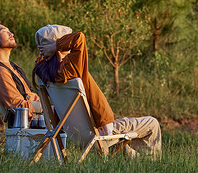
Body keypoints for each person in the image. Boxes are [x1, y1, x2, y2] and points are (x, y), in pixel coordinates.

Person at [33, 24, 161, 157]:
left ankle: (136, 161)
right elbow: (79, 38)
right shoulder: (71, 69)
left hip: (77, 136)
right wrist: (55, 47)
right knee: (152, 123)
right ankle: (154, 164)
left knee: (127, 147)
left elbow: (44, 58)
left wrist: (47, 50)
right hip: (99, 133)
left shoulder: (43, 74)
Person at [0, 18, 42, 121]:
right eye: (4, 31)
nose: (11, 34)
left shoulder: (12, 66)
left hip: (39, 117)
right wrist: (45, 107)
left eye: (9, 31)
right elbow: (19, 108)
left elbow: (30, 96)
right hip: (30, 124)